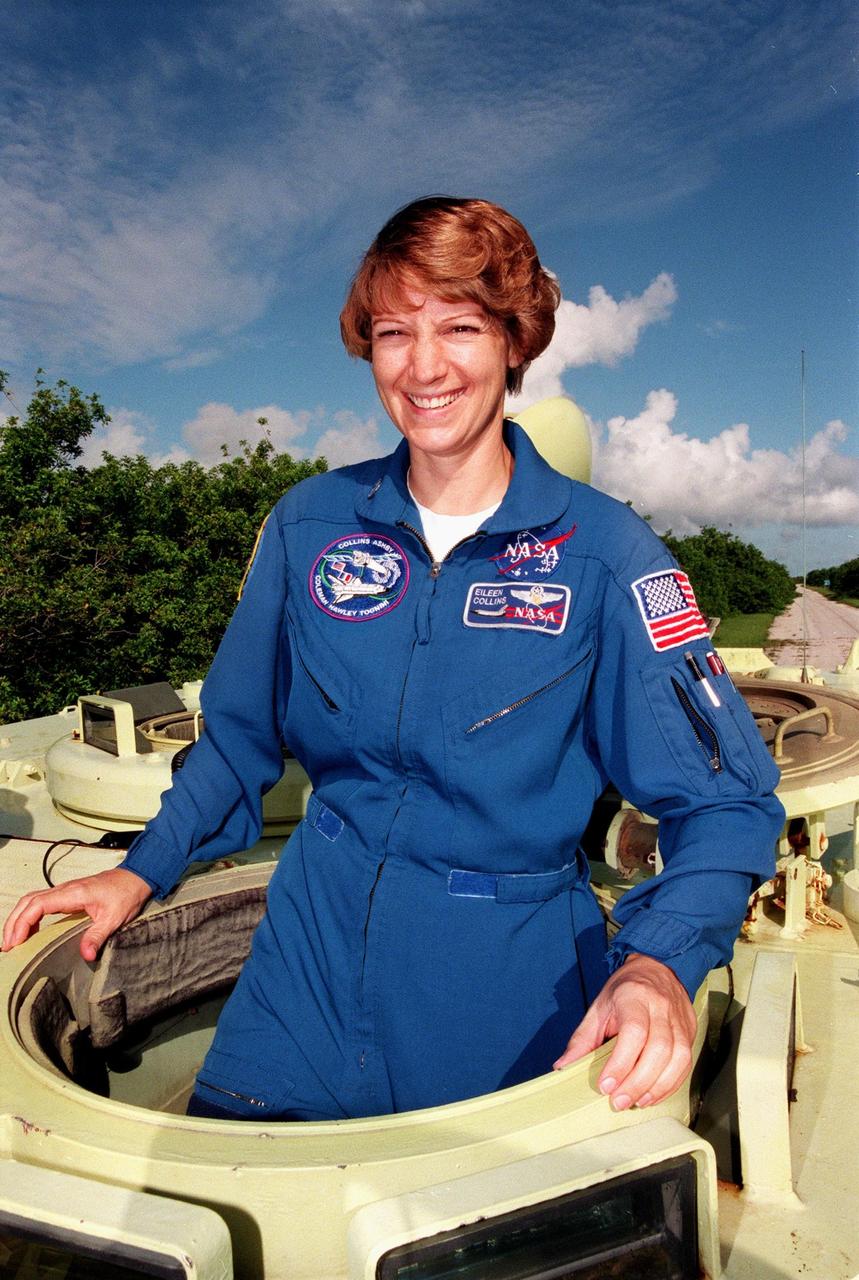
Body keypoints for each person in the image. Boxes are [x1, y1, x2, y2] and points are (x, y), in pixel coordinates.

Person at [2, 196, 783, 1120]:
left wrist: (657, 963)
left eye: (459, 327)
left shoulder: (607, 556)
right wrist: (139, 870)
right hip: (305, 961)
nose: (423, 365)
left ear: (514, 342)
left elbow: (725, 802)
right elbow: (237, 740)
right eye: (393, 332)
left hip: (505, 985)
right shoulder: (308, 525)